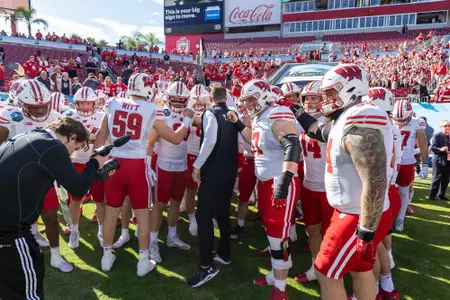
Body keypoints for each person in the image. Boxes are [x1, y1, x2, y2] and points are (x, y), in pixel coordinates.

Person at [292, 64, 393, 300]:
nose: (325, 100)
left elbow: (375, 181)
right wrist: (298, 112)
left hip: (356, 215)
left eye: (330, 93)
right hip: (357, 211)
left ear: (351, 89)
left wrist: (366, 232)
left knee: (325, 272)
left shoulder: (361, 120)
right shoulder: (347, 117)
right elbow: (319, 131)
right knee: (361, 269)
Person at [93, 73, 194, 276]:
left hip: (114, 163)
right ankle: (142, 260)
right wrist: (188, 119)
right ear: (148, 89)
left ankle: (106, 257)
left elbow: (100, 138)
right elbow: (175, 138)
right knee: (143, 214)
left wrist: (99, 165)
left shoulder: (113, 103)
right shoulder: (151, 109)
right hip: (137, 166)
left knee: (112, 213)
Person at [0, 116, 102, 300]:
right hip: (10, 230)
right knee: (28, 294)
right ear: (71, 137)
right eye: (75, 148)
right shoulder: (52, 146)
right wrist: (94, 163)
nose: (72, 154)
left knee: (9, 289)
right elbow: (78, 187)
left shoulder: (29, 136)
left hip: (7, 220)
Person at [228, 80, 301, 300]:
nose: (248, 103)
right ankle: (274, 275)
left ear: (264, 96)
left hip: (279, 182)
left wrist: (284, 181)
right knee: (271, 231)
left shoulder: (277, 112)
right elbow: (254, 141)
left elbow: (292, 145)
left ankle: (281, 287)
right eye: (246, 100)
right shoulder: (262, 116)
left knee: (279, 237)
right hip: (267, 181)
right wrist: (238, 124)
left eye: (252, 99)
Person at [187, 85, 240, 289]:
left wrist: (197, 165)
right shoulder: (232, 114)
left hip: (215, 171)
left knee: (204, 216)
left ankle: (207, 265)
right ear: (225, 97)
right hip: (228, 170)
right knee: (222, 212)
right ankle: (224, 253)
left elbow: (209, 141)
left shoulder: (211, 113)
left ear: (210, 97)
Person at [148, 81, 192, 263]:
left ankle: (172, 236)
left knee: (175, 202)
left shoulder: (190, 114)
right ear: (168, 97)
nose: (178, 103)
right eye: (175, 99)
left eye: (182, 100)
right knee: (159, 204)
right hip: (164, 164)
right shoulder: (160, 113)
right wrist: (147, 164)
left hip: (181, 164)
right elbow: (150, 142)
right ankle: (152, 242)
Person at [294, 81, 334, 285]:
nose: (309, 102)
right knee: (311, 229)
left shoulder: (332, 122)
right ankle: (315, 266)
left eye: (314, 98)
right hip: (309, 184)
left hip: (329, 187)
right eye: (307, 98)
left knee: (330, 233)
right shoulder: (300, 121)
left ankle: (331, 271)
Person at [391, 100, 429, 232]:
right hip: (391, 162)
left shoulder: (417, 122)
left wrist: (424, 164)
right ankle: (388, 216)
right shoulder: (388, 119)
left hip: (406, 162)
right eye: (398, 119)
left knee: (403, 191)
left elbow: (423, 144)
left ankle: (400, 218)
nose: (400, 122)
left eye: (404, 119)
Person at [429, 120, 450, 201]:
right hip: (439, 159)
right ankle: (432, 195)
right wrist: (441, 149)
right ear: (441, 127)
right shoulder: (436, 135)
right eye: (445, 126)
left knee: (446, 179)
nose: (447, 127)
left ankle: (441, 194)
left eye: (449, 126)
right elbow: (433, 148)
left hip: (448, 160)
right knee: (437, 178)